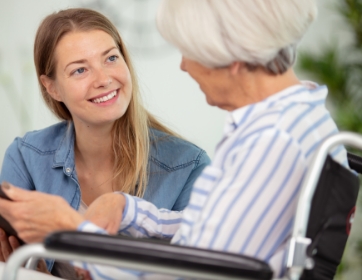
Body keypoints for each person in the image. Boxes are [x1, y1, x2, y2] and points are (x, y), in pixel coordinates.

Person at [0, 0, 351, 279]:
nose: (184, 65)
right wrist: (129, 207)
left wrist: (74, 230)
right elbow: (215, 228)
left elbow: (195, 272)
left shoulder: (269, 145)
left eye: (189, 49)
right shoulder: (301, 118)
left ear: (227, 54)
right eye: (80, 68)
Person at [0, 7, 210, 277]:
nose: (103, 79)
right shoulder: (26, 157)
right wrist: (33, 274)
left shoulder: (188, 167)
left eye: (111, 58)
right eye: (79, 70)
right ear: (52, 87)